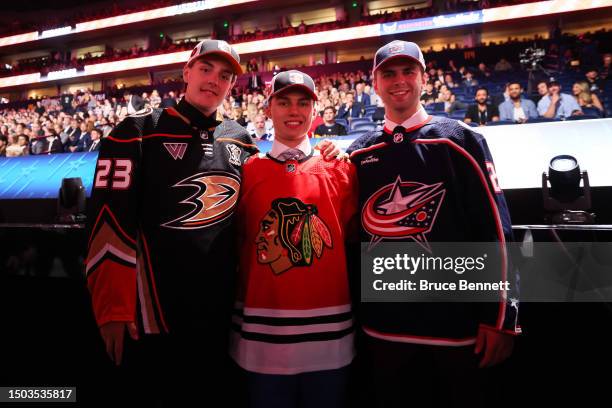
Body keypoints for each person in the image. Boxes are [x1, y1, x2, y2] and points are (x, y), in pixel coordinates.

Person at [85, 39, 338, 404]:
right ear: (186, 73)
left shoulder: (243, 141)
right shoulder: (136, 131)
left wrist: (328, 151)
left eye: (224, 76)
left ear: (232, 86)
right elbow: (108, 222)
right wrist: (112, 306)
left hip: (220, 311)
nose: (213, 81)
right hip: (153, 312)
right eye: (205, 69)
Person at [346, 40, 520, 407]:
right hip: (383, 330)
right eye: (388, 73)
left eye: (408, 71)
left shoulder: (461, 140)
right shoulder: (358, 153)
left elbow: (496, 232)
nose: (399, 81)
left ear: (424, 78)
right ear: (374, 84)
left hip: (456, 331)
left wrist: (502, 316)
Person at [230, 70, 358, 408]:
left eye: (303, 103)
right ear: (268, 109)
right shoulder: (247, 171)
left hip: (330, 335)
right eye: (283, 102)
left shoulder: (342, 169)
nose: (293, 111)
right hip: (263, 333)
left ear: (315, 112)